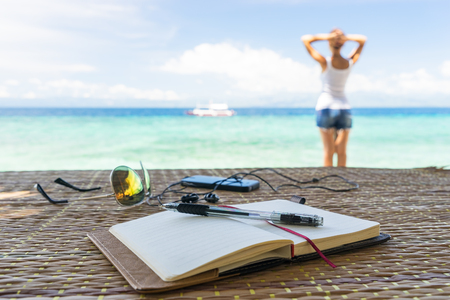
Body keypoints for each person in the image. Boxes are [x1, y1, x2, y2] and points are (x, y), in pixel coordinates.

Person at [301, 29, 366, 167]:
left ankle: (328, 184)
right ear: (342, 44)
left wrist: (330, 37)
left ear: (329, 43)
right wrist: (344, 38)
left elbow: (306, 39)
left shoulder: (325, 62)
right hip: (344, 108)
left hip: (326, 107)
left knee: (328, 150)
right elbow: (363, 40)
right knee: (341, 151)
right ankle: (342, 183)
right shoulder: (349, 62)